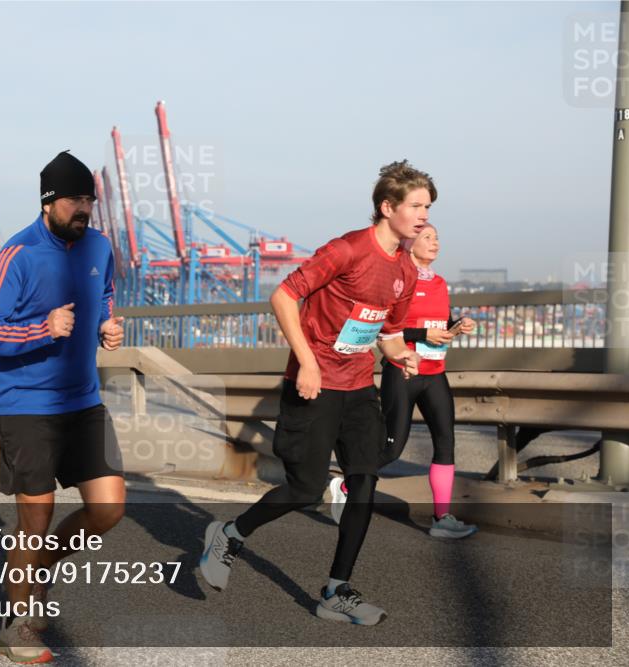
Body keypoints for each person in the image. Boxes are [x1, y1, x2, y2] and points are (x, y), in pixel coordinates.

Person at [200, 160, 434, 626]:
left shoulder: (405, 272)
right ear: (387, 208)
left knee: (364, 481)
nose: (424, 215)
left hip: (358, 386)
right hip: (315, 383)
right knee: (305, 489)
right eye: (416, 206)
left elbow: (387, 332)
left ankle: (335, 590)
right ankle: (229, 533)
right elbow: (284, 296)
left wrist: (400, 354)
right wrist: (306, 361)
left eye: (428, 207)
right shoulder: (347, 249)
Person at [0, 151, 126, 663]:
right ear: (48, 201)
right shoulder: (19, 254)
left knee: (109, 508)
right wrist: (41, 328)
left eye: (90, 201)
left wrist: (106, 324)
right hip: (26, 405)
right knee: (35, 518)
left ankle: (39, 567)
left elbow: (103, 292)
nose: (84, 210)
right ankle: (16, 623)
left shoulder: (99, 245)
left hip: (83, 401)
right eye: (75, 200)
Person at [380, 224, 477, 537]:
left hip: (435, 372)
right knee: (393, 448)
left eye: (437, 237)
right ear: (409, 245)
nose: (435, 242)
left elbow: (440, 323)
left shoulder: (440, 283)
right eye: (427, 237)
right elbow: (385, 329)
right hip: (404, 370)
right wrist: (422, 335)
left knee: (446, 443)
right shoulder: (398, 280)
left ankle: (442, 519)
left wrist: (457, 326)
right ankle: (346, 482)